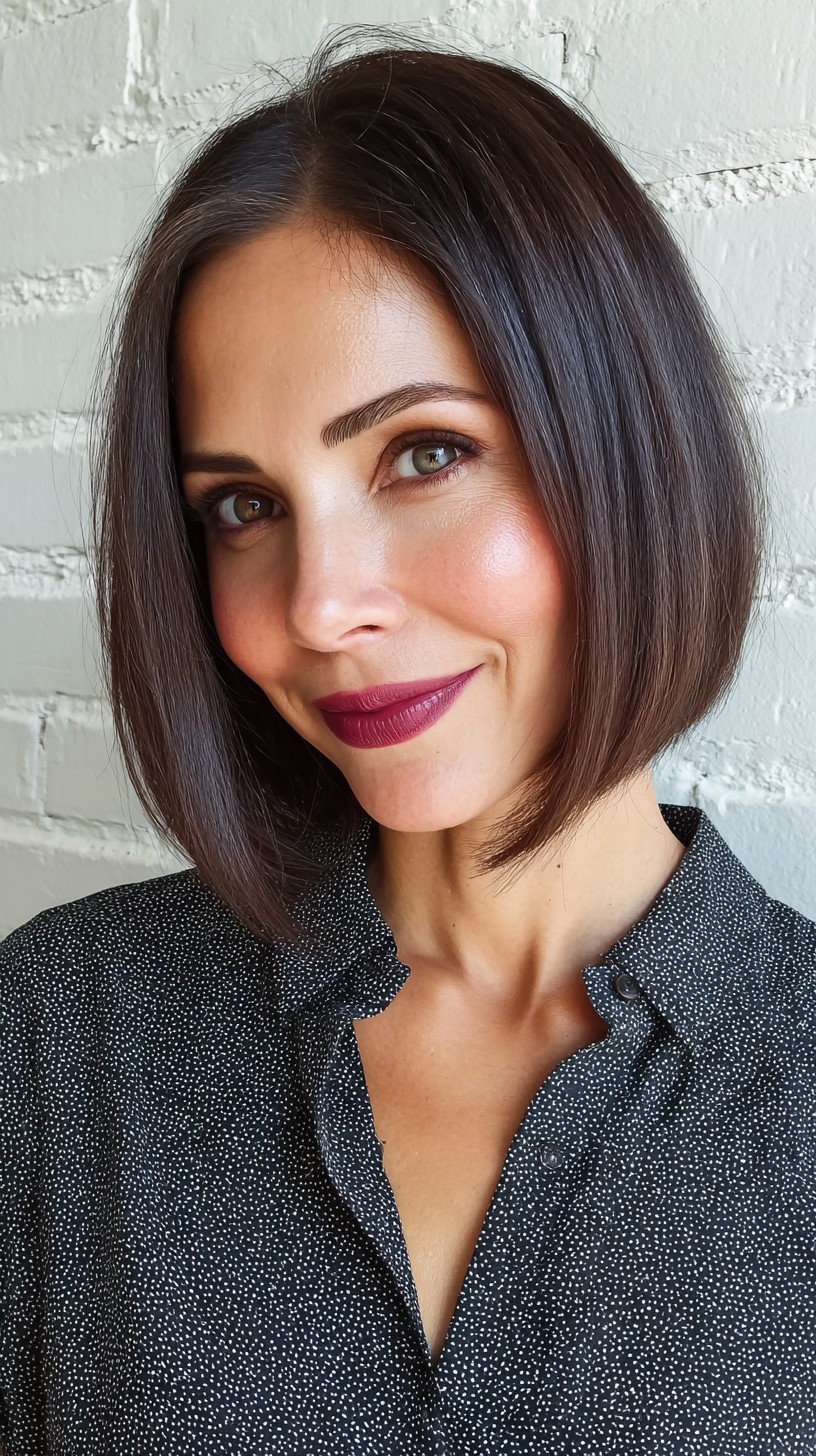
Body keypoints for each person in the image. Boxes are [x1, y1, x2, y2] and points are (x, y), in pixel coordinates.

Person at [1, 24, 814, 1456]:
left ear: (629, 448)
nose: (319, 607)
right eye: (244, 507)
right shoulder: (63, 1035)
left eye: (424, 454)